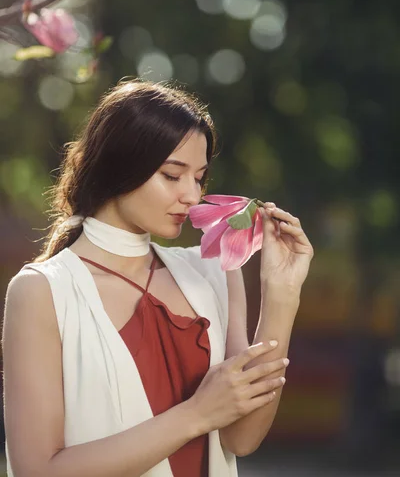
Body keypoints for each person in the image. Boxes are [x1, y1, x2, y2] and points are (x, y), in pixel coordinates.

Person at [2, 79, 314, 477]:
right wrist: (196, 415)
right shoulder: (43, 291)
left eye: (199, 177)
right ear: (118, 166)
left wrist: (282, 292)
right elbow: (37, 471)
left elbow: (241, 439)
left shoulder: (214, 271)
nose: (192, 195)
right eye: (172, 175)